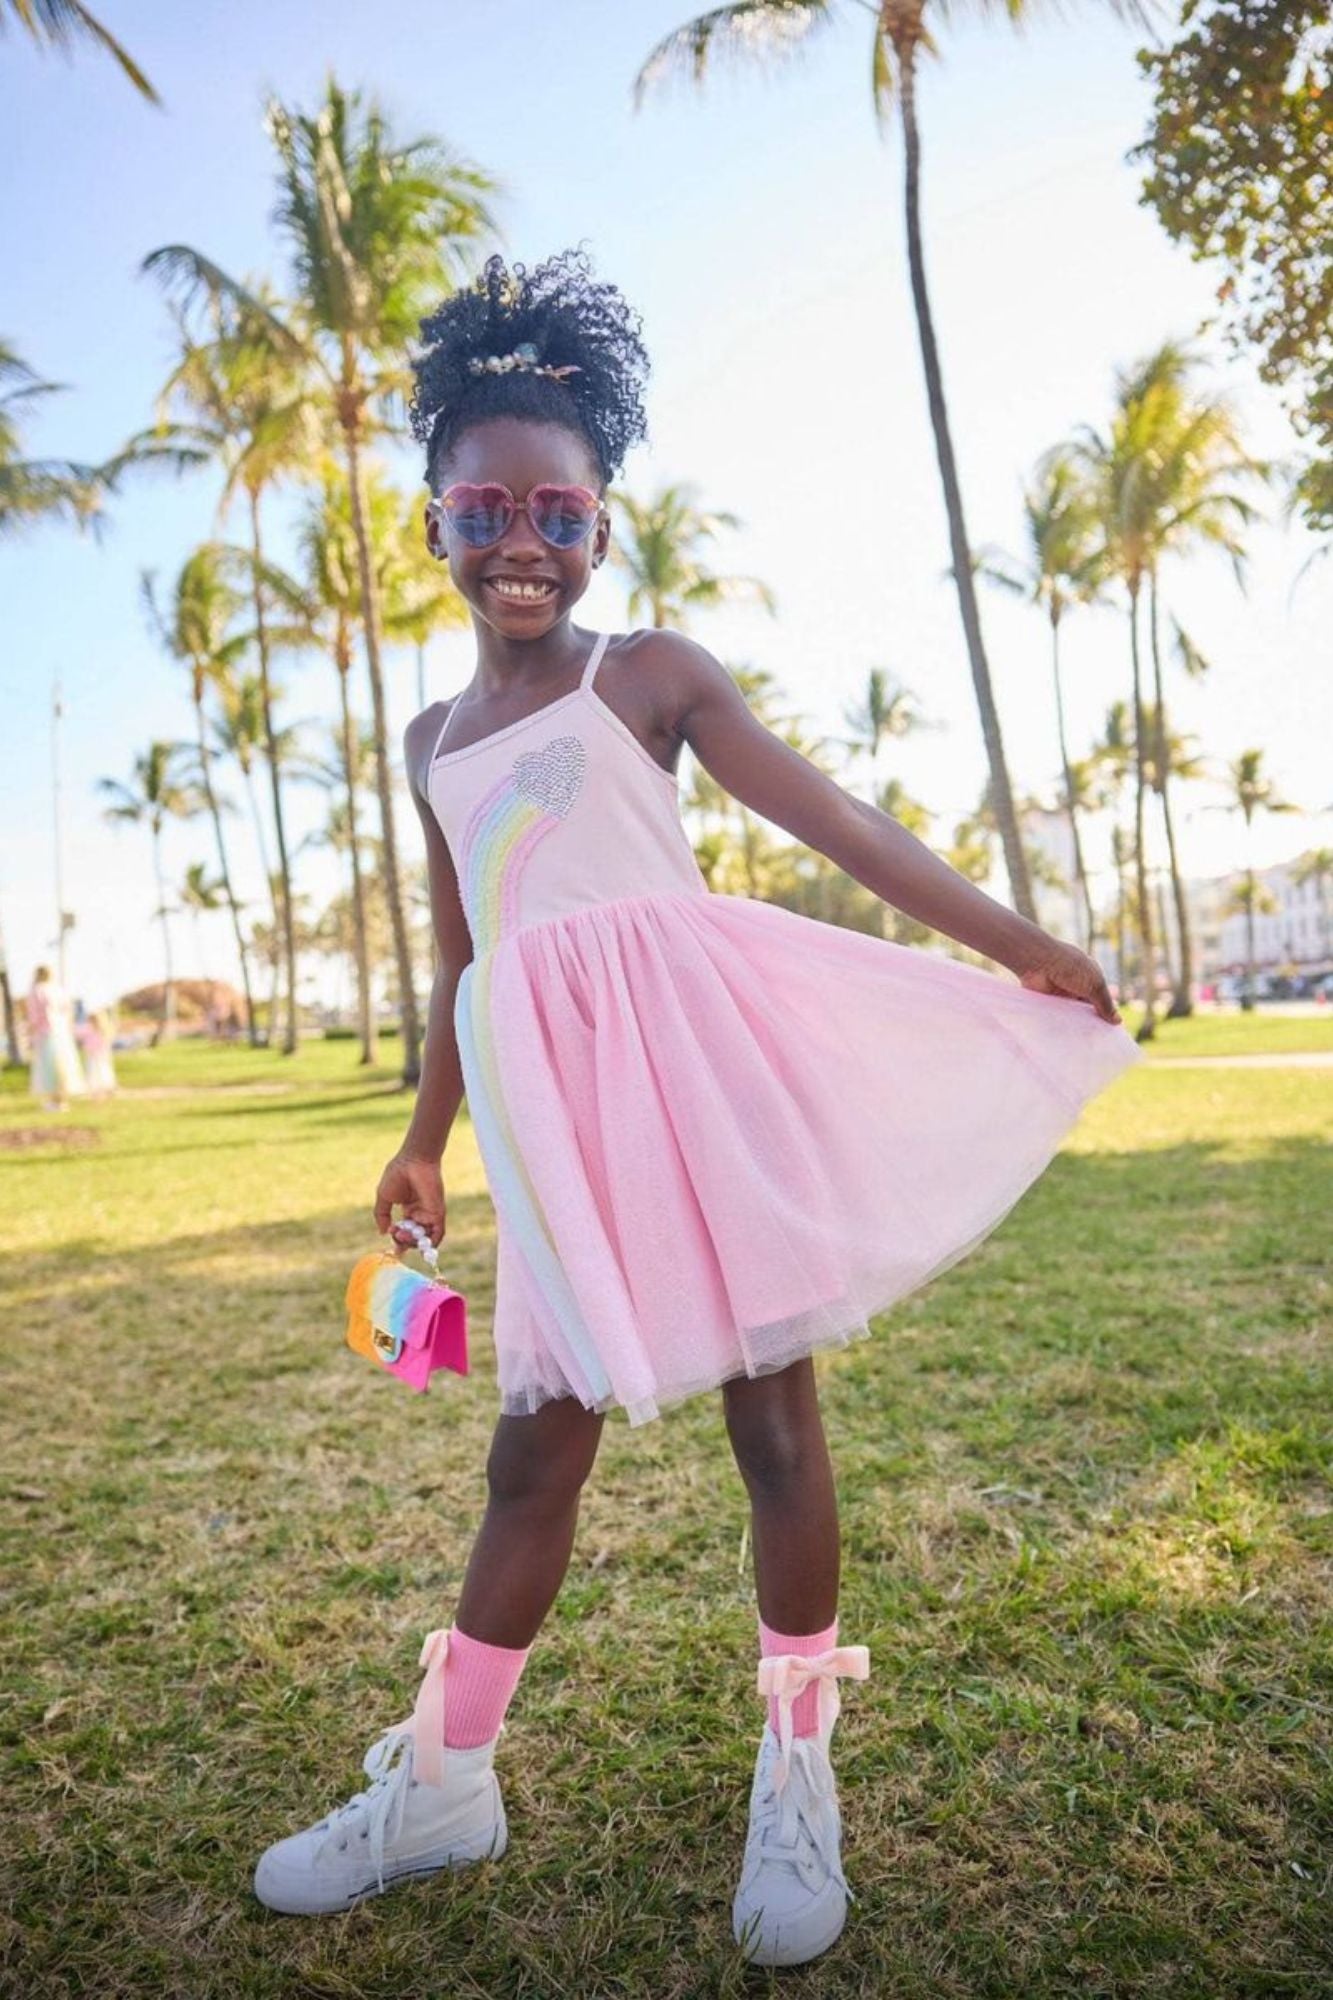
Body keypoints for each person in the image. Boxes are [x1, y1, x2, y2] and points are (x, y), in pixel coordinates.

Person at [252, 250, 1145, 1963]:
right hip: (551, 1124)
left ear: (602, 528)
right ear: (431, 522)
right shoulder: (433, 733)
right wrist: (422, 1136)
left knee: (772, 1425)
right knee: (533, 1454)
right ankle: (445, 1783)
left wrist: (1023, 942)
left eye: (560, 513)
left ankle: (794, 1771)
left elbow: (837, 828)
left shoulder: (644, 678)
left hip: (696, 1088)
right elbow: (464, 952)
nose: (523, 538)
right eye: (484, 506)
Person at [25, 965, 87, 1111]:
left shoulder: (37, 990)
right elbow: (68, 1010)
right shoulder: (58, 989)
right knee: (63, 1065)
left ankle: (54, 1101)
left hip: (46, 1032)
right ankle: (61, 1100)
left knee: (50, 1067)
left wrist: (31, 1030)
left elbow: (35, 1014)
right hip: (62, 1031)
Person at [75, 1005, 118, 1099]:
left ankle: (102, 1089)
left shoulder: (95, 1029)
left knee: (98, 1072)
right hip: (95, 1054)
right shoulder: (98, 1029)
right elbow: (77, 1032)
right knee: (101, 1071)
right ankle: (103, 1089)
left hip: (96, 1055)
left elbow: (76, 1032)